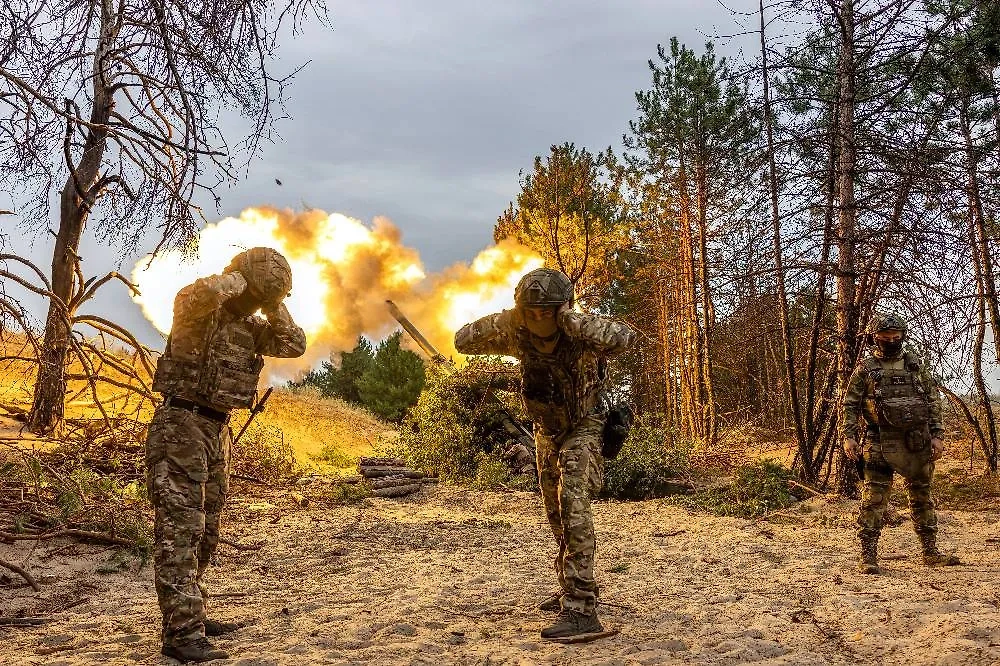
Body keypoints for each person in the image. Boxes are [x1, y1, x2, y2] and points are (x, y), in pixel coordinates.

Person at [454, 267, 635, 639]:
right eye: (531, 313)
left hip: (586, 425)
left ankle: (583, 610)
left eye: (547, 312)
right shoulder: (520, 336)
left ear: (562, 309)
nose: (539, 320)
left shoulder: (581, 336)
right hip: (547, 432)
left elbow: (624, 337)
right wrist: (509, 317)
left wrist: (571, 318)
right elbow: (463, 341)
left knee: (573, 504)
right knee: (555, 512)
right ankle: (572, 585)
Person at [145, 247, 306, 662]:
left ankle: (192, 612)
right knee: (181, 529)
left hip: (217, 431)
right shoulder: (196, 310)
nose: (252, 302)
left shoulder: (251, 328)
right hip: (181, 425)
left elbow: (294, 343)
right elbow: (200, 296)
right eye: (253, 293)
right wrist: (238, 276)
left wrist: (273, 303)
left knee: (208, 530)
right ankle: (181, 632)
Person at [842, 313, 960, 575]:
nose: (891, 341)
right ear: (875, 338)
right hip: (879, 440)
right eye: (885, 338)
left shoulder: (915, 366)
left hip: (917, 440)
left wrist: (937, 435)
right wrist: (848, 436)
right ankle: (868, 556)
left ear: (903, 337)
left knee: (922, 497)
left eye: (896, 337)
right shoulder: (866, 369)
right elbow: (850, 404)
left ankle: (930, 552)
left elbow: (932, 400)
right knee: (873, 500)